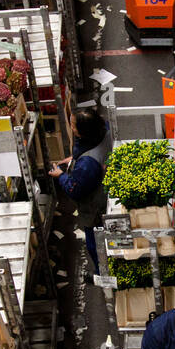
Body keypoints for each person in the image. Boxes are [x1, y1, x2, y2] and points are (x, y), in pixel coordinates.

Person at [48, 107, 113, 270]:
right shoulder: (104, 129)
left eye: (74, 125)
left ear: (84, 131)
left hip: (95, 207)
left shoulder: (87, 164)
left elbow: (74, 189)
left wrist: (60, 175)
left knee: (96, 246)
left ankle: (103, 275)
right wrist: (74, 159)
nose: (71, 128)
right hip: (105, 187)